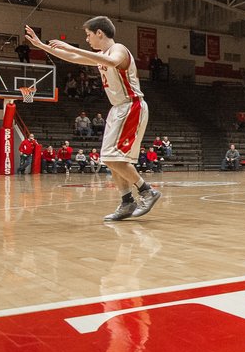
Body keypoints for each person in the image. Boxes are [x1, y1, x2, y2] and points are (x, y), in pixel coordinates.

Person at [23, 18, 161, 221]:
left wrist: (73, 48)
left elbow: (112, 62)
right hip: (118, 108)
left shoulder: (119, 50)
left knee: (112, 157)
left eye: (88, 35)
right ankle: (127, 202)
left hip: (131, 105)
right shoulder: (101, 56)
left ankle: (147, 191)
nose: (87, 39)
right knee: (109, 157)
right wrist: (41, 46)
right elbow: (70, 56)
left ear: (99, 33)